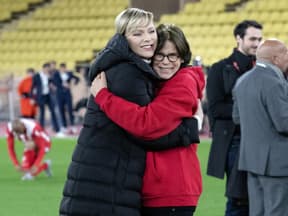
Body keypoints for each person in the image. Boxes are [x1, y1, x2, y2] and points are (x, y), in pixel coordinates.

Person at [59, 8, 199, 216]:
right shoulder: (129, 73)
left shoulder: (131, 68)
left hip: (106, 179)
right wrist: (189, 128)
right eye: (137, 33)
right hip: (107, 182)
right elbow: (145, 129)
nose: (148, 39)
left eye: (151, 31)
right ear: (124, 38)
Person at [90, 23, 204, 216]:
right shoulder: (156, 82)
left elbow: (147, 125)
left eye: (173, 55)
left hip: (171, 191)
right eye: (160, 55)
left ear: (183, 58)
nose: (165, 62)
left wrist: (103, 96)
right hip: (161, 190)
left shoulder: (182, 83)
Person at [206, 20, 263, 215]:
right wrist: (252, 109)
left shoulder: (264, 70)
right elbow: (215, 109)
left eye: (260, 39)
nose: (257, 43)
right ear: (238, 39)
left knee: (263, 198)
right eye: (253, 39)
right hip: (235, 142)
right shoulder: (220, 69)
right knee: (239, 201)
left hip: (262, 143)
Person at [232, 38, 288, 216]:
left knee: (257, 212)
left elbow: (237, 118)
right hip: (277, 164)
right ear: (275, 58)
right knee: (277, 212)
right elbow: (284, 123)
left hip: (252, 160)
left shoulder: (242, 80)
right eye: (286, 53)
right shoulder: (274, 82)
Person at [30, 62, 63, 137]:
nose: (48, 71)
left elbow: (53, 83)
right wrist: (32, 98)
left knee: (53, 112)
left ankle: (57, 130)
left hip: (48, 95)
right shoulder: (37, 76)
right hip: (41, 96)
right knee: (42, 113)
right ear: (44, 68)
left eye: (49, 70)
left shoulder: (49, 76)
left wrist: (51, 82)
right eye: (47, 69)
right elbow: (32, 87)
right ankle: (41, 130)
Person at [52, 62, 79, 133]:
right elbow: (54, 82)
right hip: (59, 94)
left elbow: (77, 78)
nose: (63, 69)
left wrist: (73, 84)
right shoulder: (56, 74)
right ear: (60, 68)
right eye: (62, 68)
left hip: (67, 94)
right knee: (61, 110)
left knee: (70, 109)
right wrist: (62, 85)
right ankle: (64, 126)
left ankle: (72, 125)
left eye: (64, 68)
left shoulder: (69, 73)